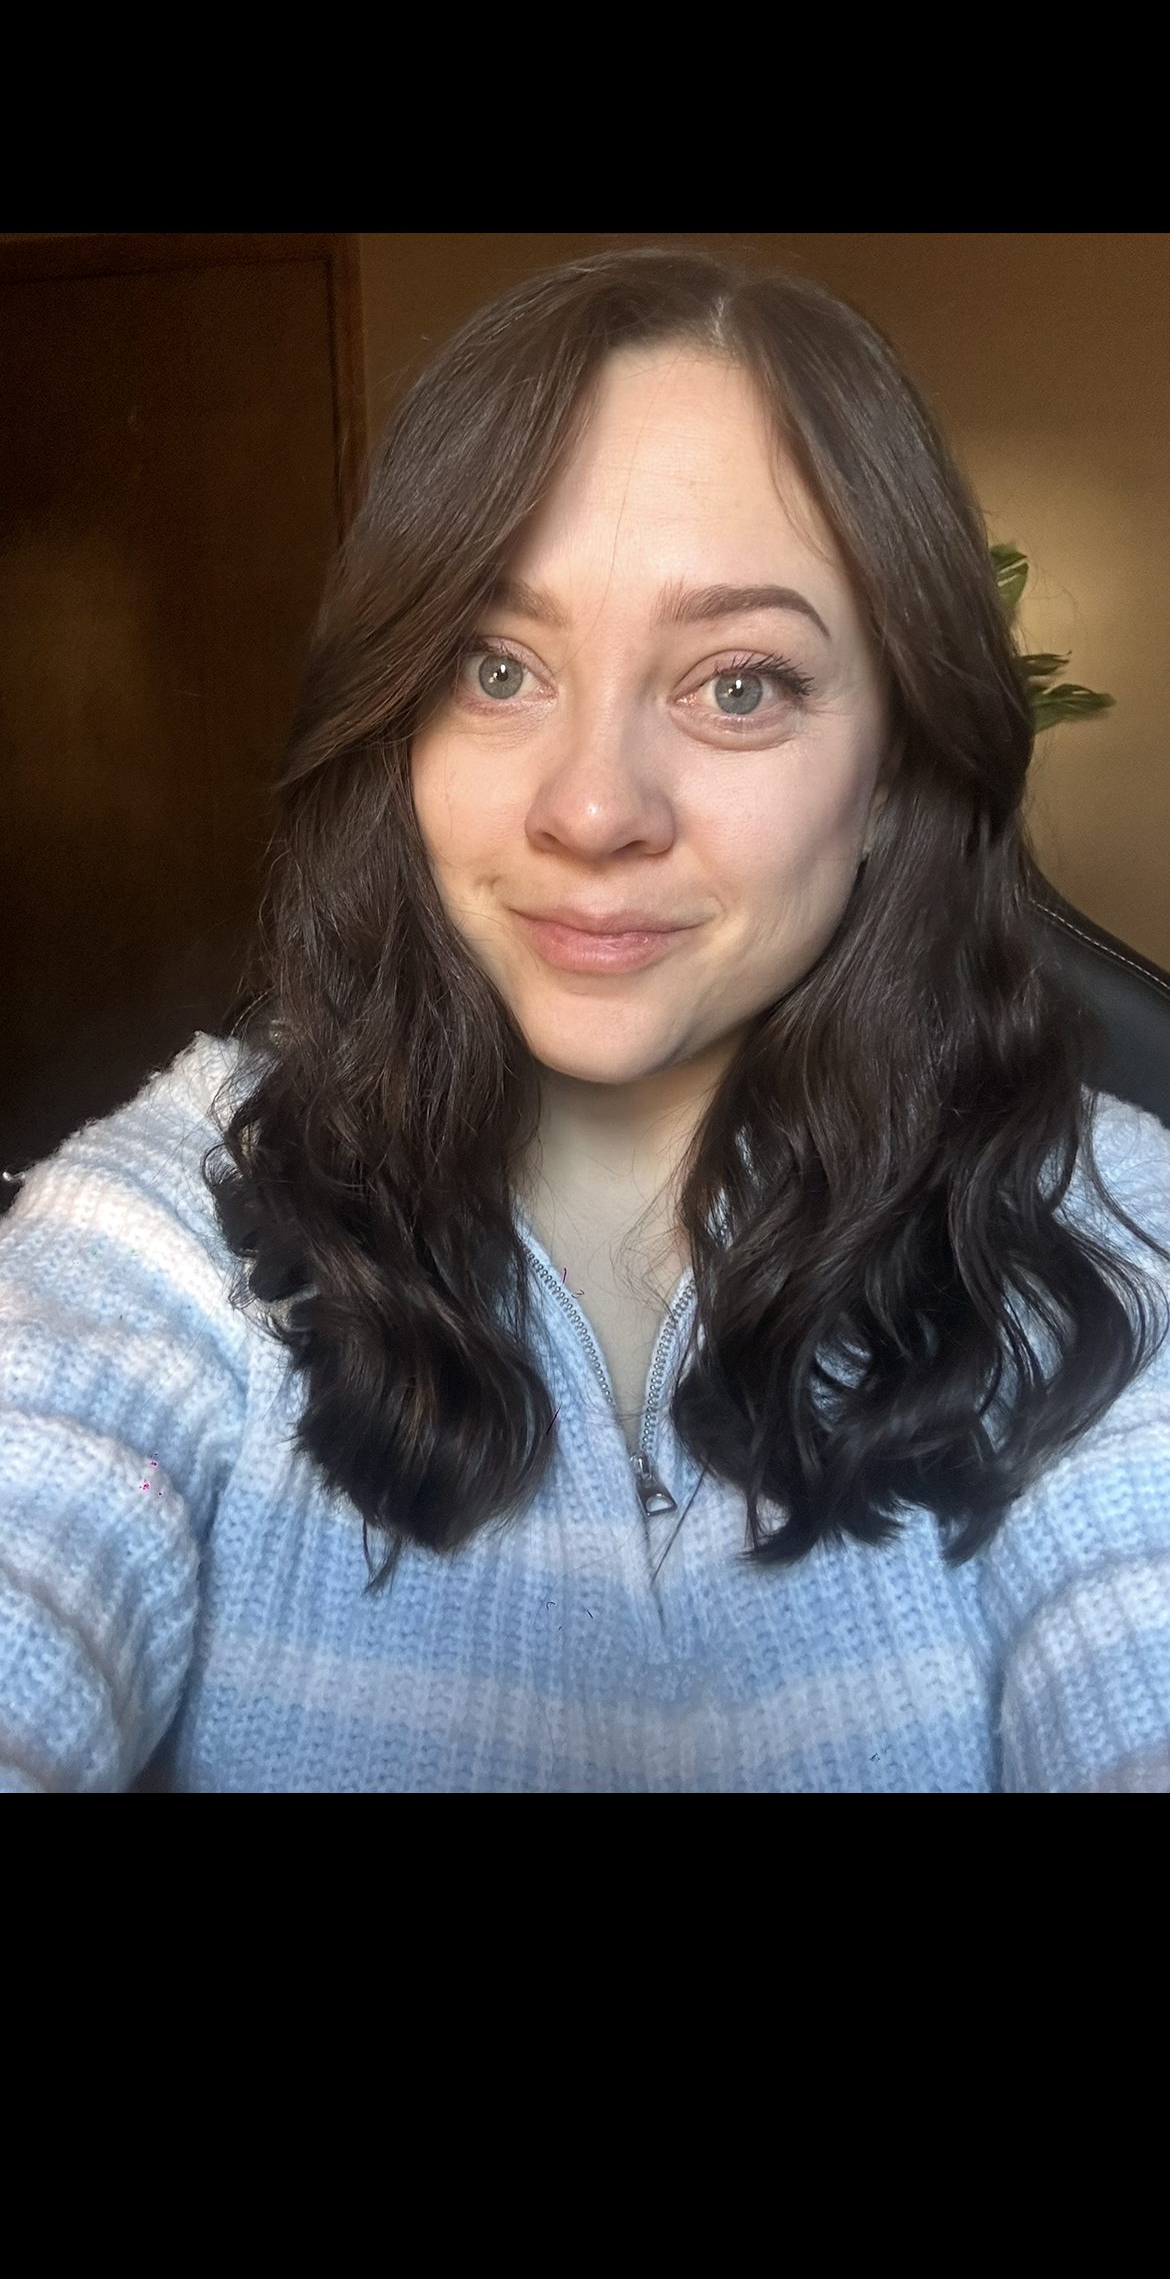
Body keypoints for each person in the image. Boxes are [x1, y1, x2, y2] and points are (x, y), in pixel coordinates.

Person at [4, 245, 1170, 1794]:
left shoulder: (1106, 1242)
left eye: (737, 684)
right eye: (496, 666)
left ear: (894, 763)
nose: (594, 806)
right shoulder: (166, 1230)